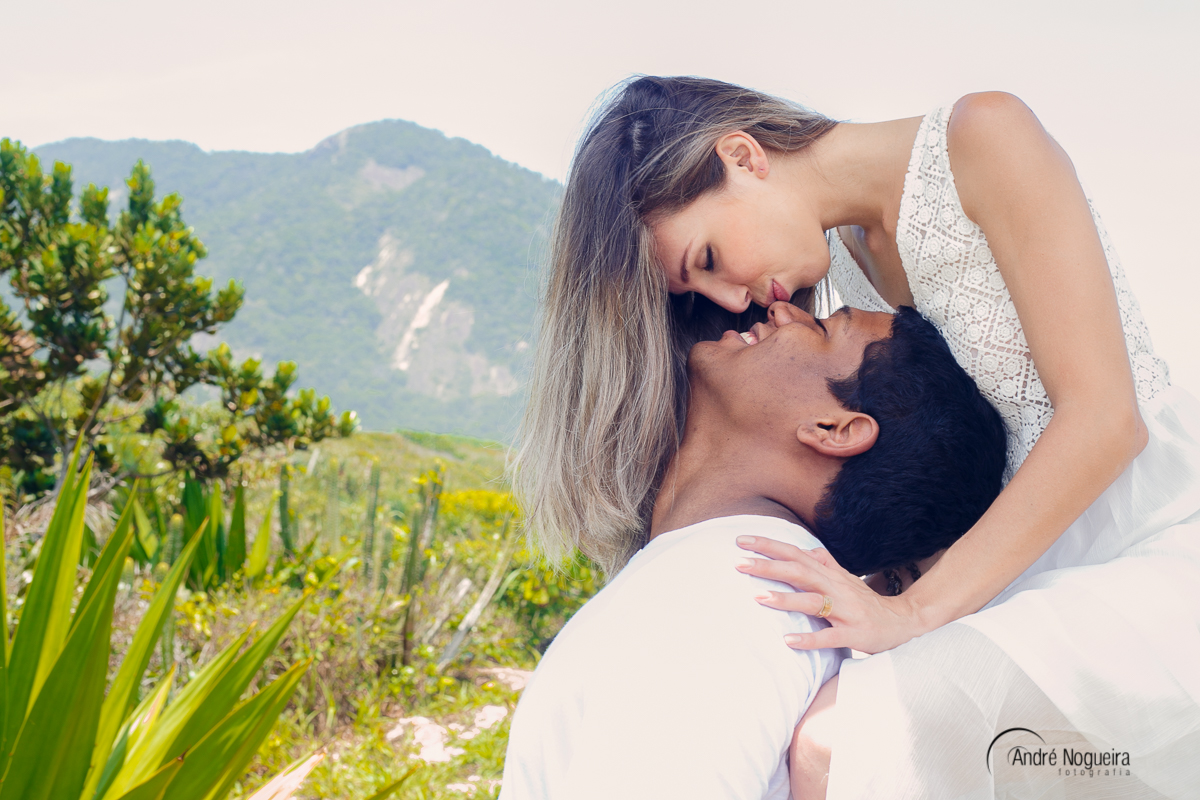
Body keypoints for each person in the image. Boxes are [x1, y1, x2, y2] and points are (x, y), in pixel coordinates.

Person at [512, 76, 1200, 796]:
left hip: (1151, 541)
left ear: (743, 158)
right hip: (1020, 581)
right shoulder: (841, 254)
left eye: (709, 260)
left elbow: (1104, 420)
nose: (729, 301)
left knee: (837, 747)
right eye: (699, 293)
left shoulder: (983, 136)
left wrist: (912, 613)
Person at [501, 301, 1007, 799]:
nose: (784, 310)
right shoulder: (743, 586)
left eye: (824, 329)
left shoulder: (723, 599)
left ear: (834, 429)